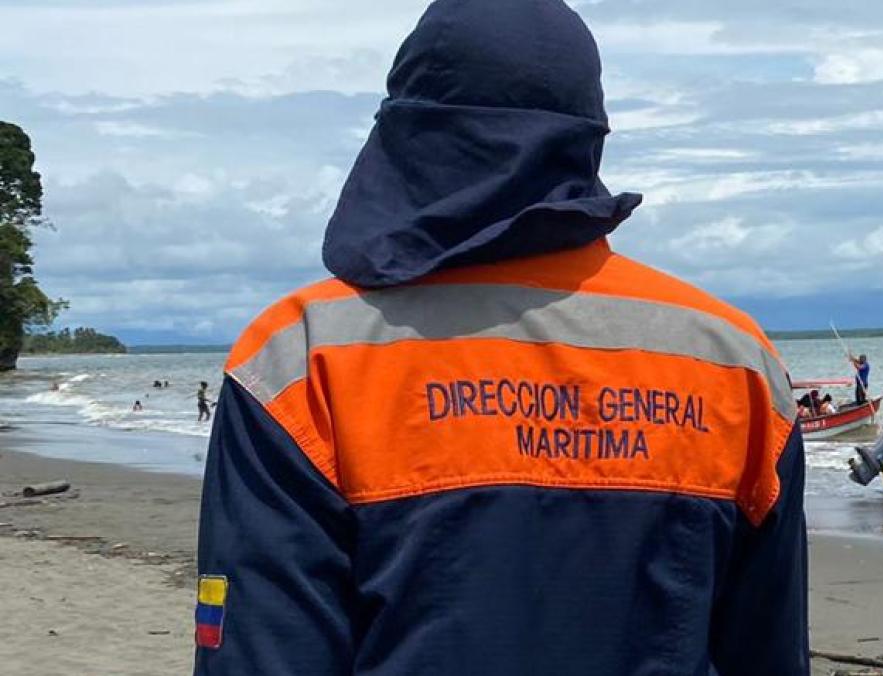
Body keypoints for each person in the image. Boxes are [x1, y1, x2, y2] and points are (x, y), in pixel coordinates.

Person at [191, 3, 807, 674]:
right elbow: (769, 651)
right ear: (588, 135)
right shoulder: (732, 360)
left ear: (407, 131)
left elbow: (266, 652)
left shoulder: (301, 359)